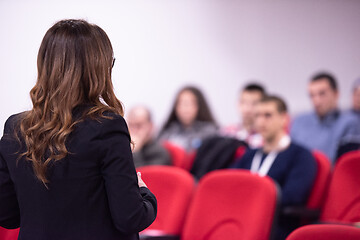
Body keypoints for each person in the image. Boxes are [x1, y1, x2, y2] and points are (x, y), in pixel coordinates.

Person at [0, 19, 157, 240]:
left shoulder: (15, 127)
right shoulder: (107, 125)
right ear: (98, 69)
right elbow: (130, 218)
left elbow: (7, 215)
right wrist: (144, 193)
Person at [232, 95, 317, 240]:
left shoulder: (300, 156)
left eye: (268, 115)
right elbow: (229, 184)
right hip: (239, 222)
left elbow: (292, 196)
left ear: (284, 118)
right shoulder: (250, 154)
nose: (261, 121)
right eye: (257, 115)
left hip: (275, 227)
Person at [290, 72, 360, 163]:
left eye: (322, 94)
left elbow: (345, 165)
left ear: (336, 94)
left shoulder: (349, 122)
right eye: (312, 95)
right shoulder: (300, 120)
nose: (316, 101)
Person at [158, 86, 218, 152]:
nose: (185, 108)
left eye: (190, 103)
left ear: (199, 106)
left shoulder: (210, 133)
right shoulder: (168, 131)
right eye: (181, 103)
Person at [222, 83, 266, 148]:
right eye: (243, 102)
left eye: (254, 103)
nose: (247, 109)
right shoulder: (227, 132)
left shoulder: (266, 136)